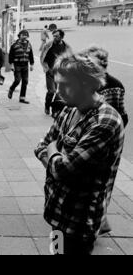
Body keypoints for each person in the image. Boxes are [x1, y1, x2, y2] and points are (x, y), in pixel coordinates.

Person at [34, 54, 125, 255]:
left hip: (79, 223)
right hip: (56, 214)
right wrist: (55, 153)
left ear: (87, 83)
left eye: (65, 85)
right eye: (56, 84)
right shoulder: (69, 110)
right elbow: (41, 145)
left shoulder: (105, 122)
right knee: (56, 251)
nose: (58, 91)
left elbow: (63, 170)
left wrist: (52, 150)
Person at [79, 46, 129, 236]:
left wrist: (109, 135)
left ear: (102, 65)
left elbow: (120, 115)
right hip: (88, 137)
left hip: (104, 141)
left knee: (99, 184)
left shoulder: (114, 85)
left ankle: (96, 223)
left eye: (90, 63)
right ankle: (97, 221)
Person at [41, 29, 72, 115]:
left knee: (60, 92)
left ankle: (54, 108)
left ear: (61, 37)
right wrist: (46, 68)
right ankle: (47, 106)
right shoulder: (48, 45)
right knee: (51, 91)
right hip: (50, 72)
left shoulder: (66, 47)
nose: (54, 38)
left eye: (56, 36)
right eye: (53, 36)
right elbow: (42, 57)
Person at [8, 30, 35, 104]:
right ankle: (11, 89)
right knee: (17, 80)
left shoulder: (29, 44)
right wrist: (11, 65)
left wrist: (32, 64)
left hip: (25, 65)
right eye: (23, 35)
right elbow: (11, 56)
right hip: (17, 65)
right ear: (19, 35)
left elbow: (31, 55)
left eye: (26, 35)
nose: (25, 36)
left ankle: (22, 98)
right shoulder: (14, 45)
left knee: (25, 81)